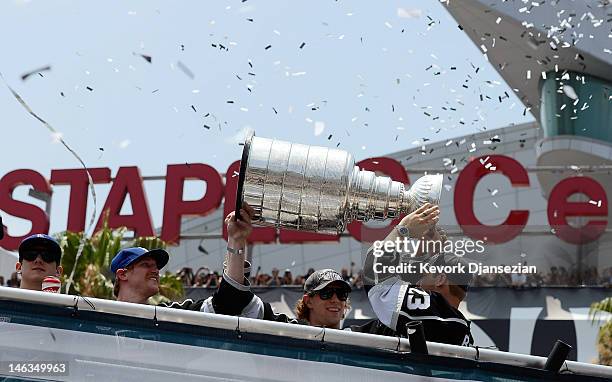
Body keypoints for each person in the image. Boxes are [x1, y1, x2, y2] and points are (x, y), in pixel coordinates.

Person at [356, 202, 475, 346]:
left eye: (426, 271)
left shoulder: (434, 313)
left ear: (440, 280)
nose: (420, 276)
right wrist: (422, 251)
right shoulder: (453, 322)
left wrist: (402, 230)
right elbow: (404, 286)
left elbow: (379, 282)